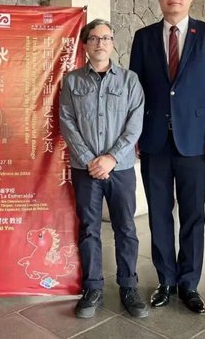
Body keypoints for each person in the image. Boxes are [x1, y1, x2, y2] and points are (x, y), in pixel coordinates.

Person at [129, 0, 205, 314]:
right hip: (154, 140)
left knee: (193, 215)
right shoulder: (143, 38)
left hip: (195, 141)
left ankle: (189, 283)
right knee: (158, 214)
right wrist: (135, 133)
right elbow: (136, 92)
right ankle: (166, 281)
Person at [59, 19, 148, 319]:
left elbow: (135, 124)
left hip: (120, 168)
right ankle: (92, 287)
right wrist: (89, 159)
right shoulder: (72, 81)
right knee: (89, 229)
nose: (101, 43)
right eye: (94, 38)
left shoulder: (129, 80)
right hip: (84, 170)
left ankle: (129, 286)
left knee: (126, 228)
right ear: (85, 45)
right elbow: (67, 123)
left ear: (112, 43)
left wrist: (111, 158)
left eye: (106, 38)